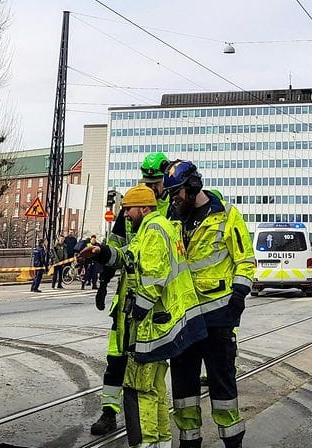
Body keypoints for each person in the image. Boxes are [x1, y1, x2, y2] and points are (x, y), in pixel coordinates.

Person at [85, 185, 205, 448]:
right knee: (155, 389)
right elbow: (129, 256)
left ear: (143, 208)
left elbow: (152, 280)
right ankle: (160, 442)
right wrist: (102, 253)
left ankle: (147, 443)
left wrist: (137, 313)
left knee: (140, 390)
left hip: (152, 326)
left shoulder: (152, 231)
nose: (125, 215)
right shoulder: (153, 228)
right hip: (165, 325)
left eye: (128, 209)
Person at [163, 160, 255, 448]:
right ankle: (189, 441)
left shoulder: (227, 215)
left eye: (176, 193)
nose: (173, 199)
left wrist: (238, 296)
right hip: (183, 319)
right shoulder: (173, 218)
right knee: (183, 390)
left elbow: (245, 260)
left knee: (223, 387)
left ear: (192, 188)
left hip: (217, 319)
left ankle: (232, 442)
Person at [85, 152, 170, 436]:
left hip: (158, 303)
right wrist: (103, 283)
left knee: (150, 369)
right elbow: (118, 245)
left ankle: (155, 428)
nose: (151, 187)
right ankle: (109, 413)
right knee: (116, 357)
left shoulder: (169, 209)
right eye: (147, 181)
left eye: (155, 182)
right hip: (128, 298)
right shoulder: (133, 205)